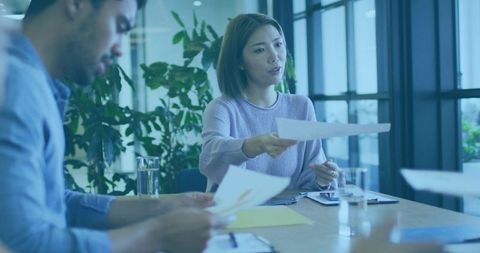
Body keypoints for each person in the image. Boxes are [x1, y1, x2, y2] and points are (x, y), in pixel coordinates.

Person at [0, 1, 220, 253]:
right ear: (75, 4)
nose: (120, 49)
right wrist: (158, 235)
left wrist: (161, 208)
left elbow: (52, 202)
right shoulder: (16, 85)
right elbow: (23, 244)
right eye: (120, 25)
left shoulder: (33, 83)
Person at [199, 13, 338, 191]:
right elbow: (210, 159)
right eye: (259, 50)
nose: (274, 56)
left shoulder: (301, 106)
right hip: (238, 215)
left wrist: (322, 178)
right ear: (239, 61)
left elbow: (310, 176)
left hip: (292, 215)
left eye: (278, 44)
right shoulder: (222, 108)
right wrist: (252, 145)